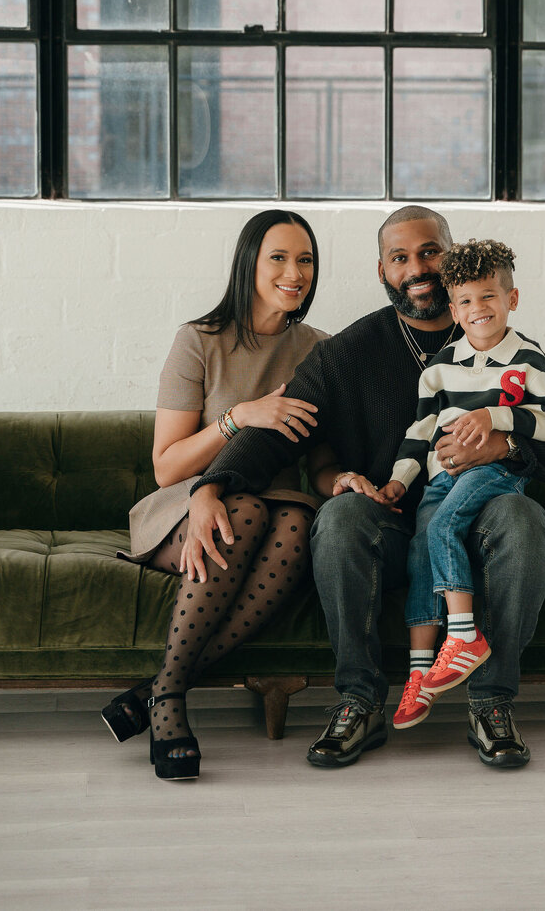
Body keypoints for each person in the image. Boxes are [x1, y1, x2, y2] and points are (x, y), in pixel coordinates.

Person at [190, 205, 545, 770]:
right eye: (400, 258)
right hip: (388, 510)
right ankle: (359, 702)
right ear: (382, 271)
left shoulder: (505, 343)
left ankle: (492, 702)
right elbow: (284, 430)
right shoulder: (344, 353)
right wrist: (212, 485)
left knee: (524, 521)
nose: (417, 268)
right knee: (337, 518)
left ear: (453, 259)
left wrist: (506, 445)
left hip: (478, 511)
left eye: (430, 252)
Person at [103, 210, 330, 780]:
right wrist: (239, 418)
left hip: (280, 507)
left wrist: (348, 479)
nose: (294, 272)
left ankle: (158, 690)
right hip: (185, 502)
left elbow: (323, 459)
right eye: (278, 257)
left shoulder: (321, 350)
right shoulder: (198, 340)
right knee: (245, 510)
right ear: (248, 262)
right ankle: (170, 703)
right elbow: (166, 466)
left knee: (296, 522)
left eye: (304, 259)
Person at [377, 238, 545, 734]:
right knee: (422, 547)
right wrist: (399, 482)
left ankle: (462, 637)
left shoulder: (529, 359)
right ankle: (421, 671)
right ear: (454, 310)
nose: (478, 309)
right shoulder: (438, 367)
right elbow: (420, 433)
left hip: (495, 471)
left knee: (444, 530)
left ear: (512, 300)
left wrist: (496, 416)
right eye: (466, 301)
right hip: (440, 476)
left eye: (489, 297)